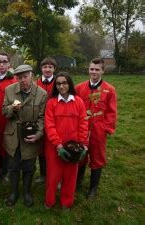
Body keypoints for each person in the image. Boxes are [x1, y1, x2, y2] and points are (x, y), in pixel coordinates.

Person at [2, 65, 47, 207]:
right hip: (13, 135)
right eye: (19, 77)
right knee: (13, 166)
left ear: (31, 76)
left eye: (25, 76)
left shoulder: (41, 94)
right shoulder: (9, 90)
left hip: (30, 135)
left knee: (29, 167)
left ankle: (27, 192)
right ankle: (13, 192)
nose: (22, 80)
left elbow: (42, 118)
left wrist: (38, 134)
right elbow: (4, 111)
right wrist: (11, 109)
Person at [44, 72, 88, 209]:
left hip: (74, 147)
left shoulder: (78, 102)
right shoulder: (51, 103)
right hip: (54, 147)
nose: (62, 86)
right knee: (52, 177)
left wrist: (83, 145)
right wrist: (58, 145)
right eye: (58, 83)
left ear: (69, 84)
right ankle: (49, 201)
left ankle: (66, 203)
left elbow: (83, 124)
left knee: (70, 177)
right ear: (55, 86)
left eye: (64, 83)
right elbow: (49, 125)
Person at [75, 58, 117, 198]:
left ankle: (93, 188)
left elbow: (111, 112)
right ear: (88, 69)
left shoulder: (110, 90)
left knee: (97, 157)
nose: (94, 72)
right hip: (81, 129)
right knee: (80, 155)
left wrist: (106, 128)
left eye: (97, 69)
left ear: (103, 71)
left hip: (98, 130)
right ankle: (77, 182)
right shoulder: (79, 88)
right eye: (92, 69)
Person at [0, 52, 17, 181]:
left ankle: (6, 171)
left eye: (4, 62)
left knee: (6, 144)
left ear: (9, 64)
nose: (1, 64)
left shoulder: (13, 80)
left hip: (7, 118)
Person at [35, 57, 57, 183]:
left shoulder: (58, 83)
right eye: (45, 67)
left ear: (54, 69)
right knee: (41, 149)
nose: (47, 69)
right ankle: (43, 174)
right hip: (40, 120)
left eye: (50, 67)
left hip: (54, 121)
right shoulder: (36, 83)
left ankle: (55, 175)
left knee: (54, 148)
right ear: (41, 68)